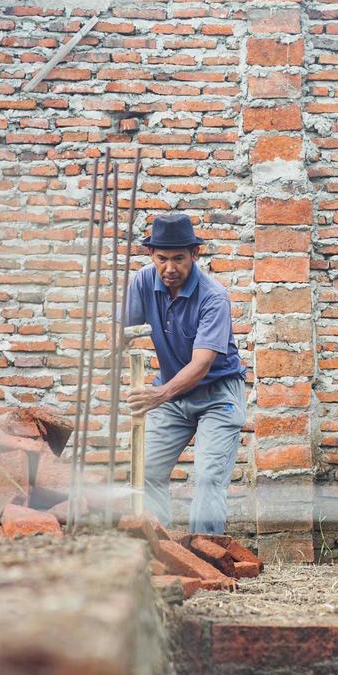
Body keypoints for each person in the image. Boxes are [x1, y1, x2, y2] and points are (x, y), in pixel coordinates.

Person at [124, 213, 247, 534]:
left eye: (179, 258)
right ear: (150, 255)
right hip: (171, 393)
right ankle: (161, 549)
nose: (169, 268)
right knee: (146, 470)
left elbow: (202, 364)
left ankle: (206, 556)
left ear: (195, 254)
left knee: (208, 477)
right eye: (161, 258)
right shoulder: (141, 282)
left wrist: (158, 395)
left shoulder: (213, 296)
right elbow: (123, 331)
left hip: (218, 395)